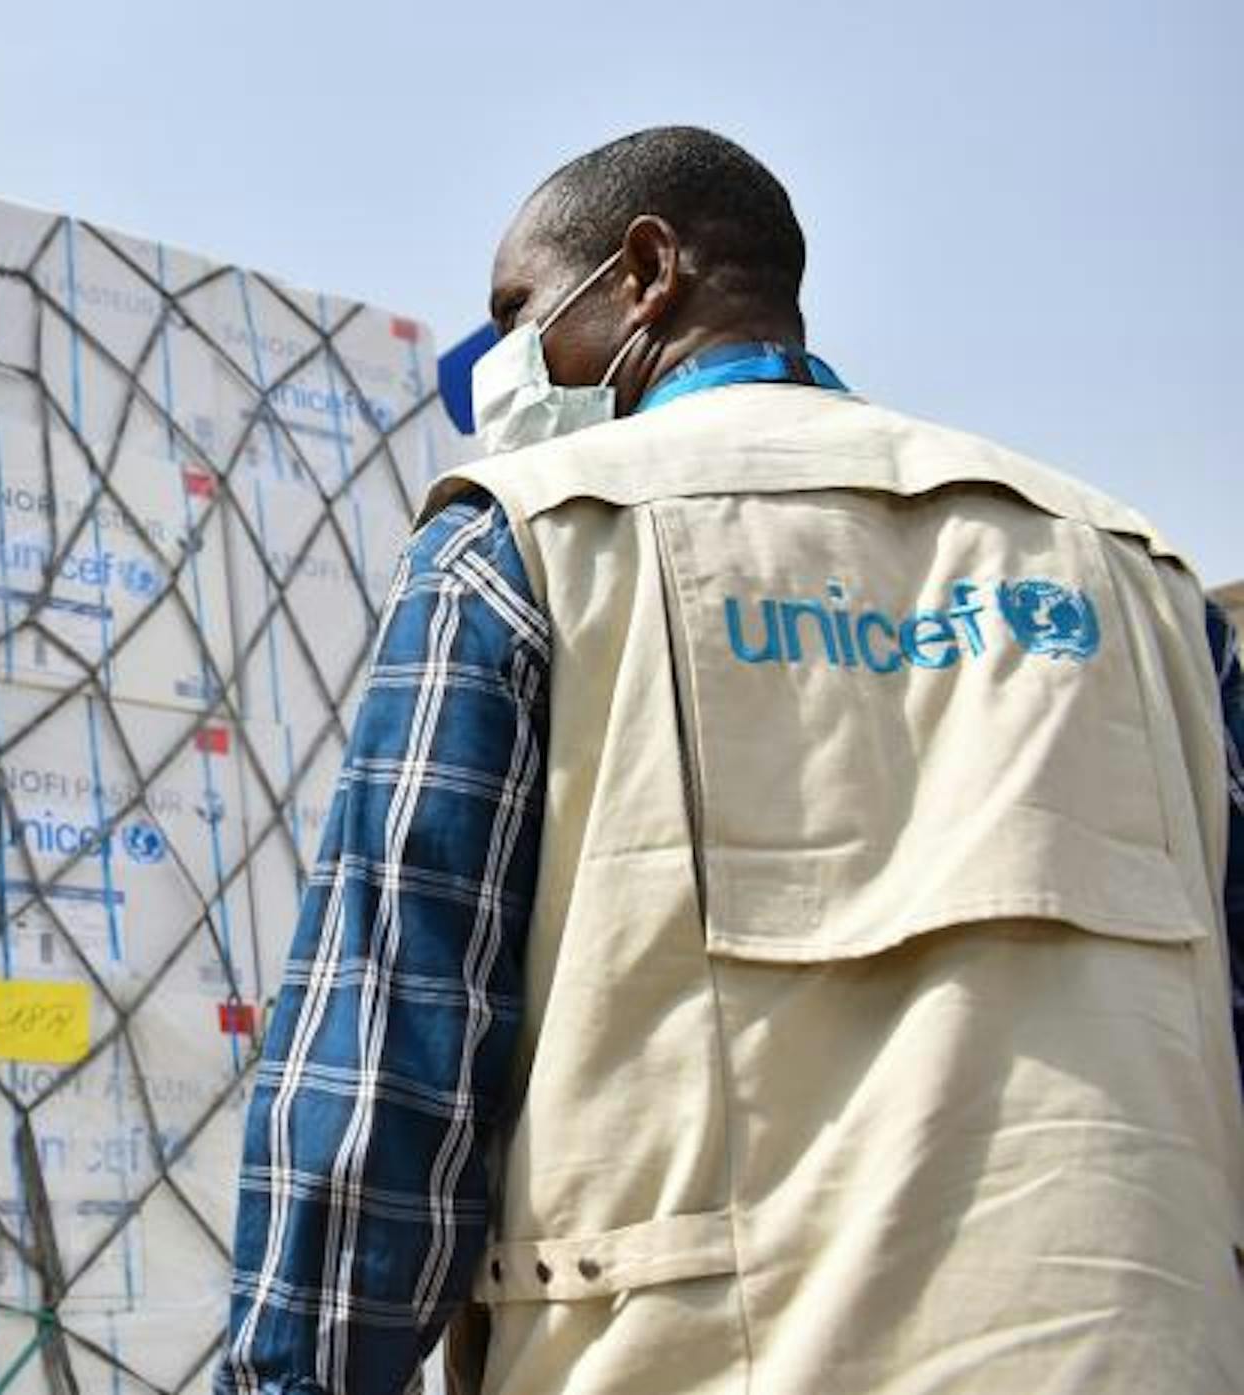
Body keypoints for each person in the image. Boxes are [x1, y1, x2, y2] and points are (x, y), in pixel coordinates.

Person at [217, 126, 1244, 1394]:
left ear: (647, 272)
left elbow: (384, 1075)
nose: (505, 367)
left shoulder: (523, 548)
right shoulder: (1144, 584)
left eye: (518, 314)